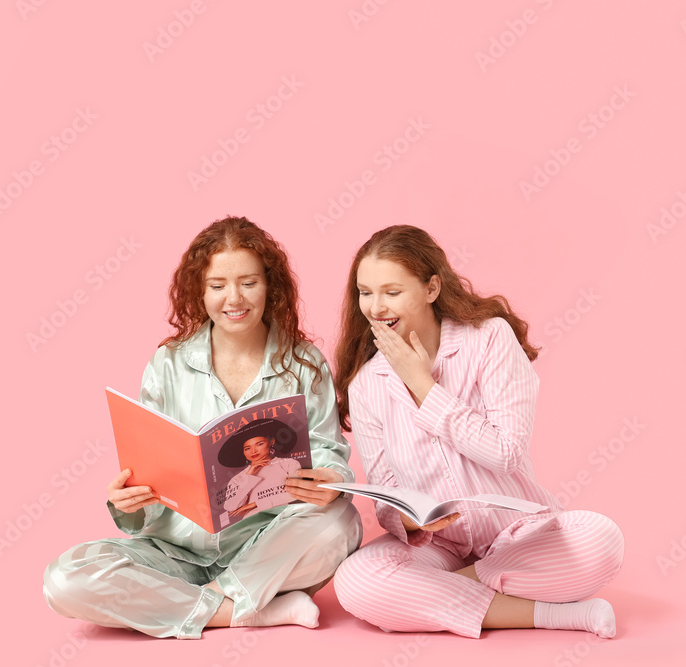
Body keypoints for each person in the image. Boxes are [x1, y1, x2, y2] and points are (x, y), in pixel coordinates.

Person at [43, 216, 362, 639]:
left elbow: (328, 452)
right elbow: (149, 470)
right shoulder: (168, 364)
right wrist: (128, 505)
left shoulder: (303, 363)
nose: (234, 298)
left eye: (248, 282)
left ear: (270, 286)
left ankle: (204, 602)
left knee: (341, 521)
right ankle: (245, 609)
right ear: (200, 290)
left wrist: (329, 481)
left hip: (267, 545)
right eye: (217, 286)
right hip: (173, 553)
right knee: (66, 579)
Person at [331, 225, 624, 639]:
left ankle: (440, 595)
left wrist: (424, 388)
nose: (376, 307)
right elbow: (386, 491)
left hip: (518, 537)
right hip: (439, 547)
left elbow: (506, 451)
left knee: (601, 539)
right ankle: (557, 614)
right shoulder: (367, 384)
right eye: (365, 292)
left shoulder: (488, 340)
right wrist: (412, 524)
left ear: (431, 288)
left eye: (392, 292)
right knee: (356, 580)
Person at [219, 418, 303, 520]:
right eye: (247, 448)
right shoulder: (238, 478)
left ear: (271, 442)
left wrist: (256, 504)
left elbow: (299, 493)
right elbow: (231, 506)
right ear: (243, 452)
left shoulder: (289, 464)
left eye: (259, 444)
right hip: (253, 523)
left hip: (288, 516)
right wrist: (249, 476)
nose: (253, 451)